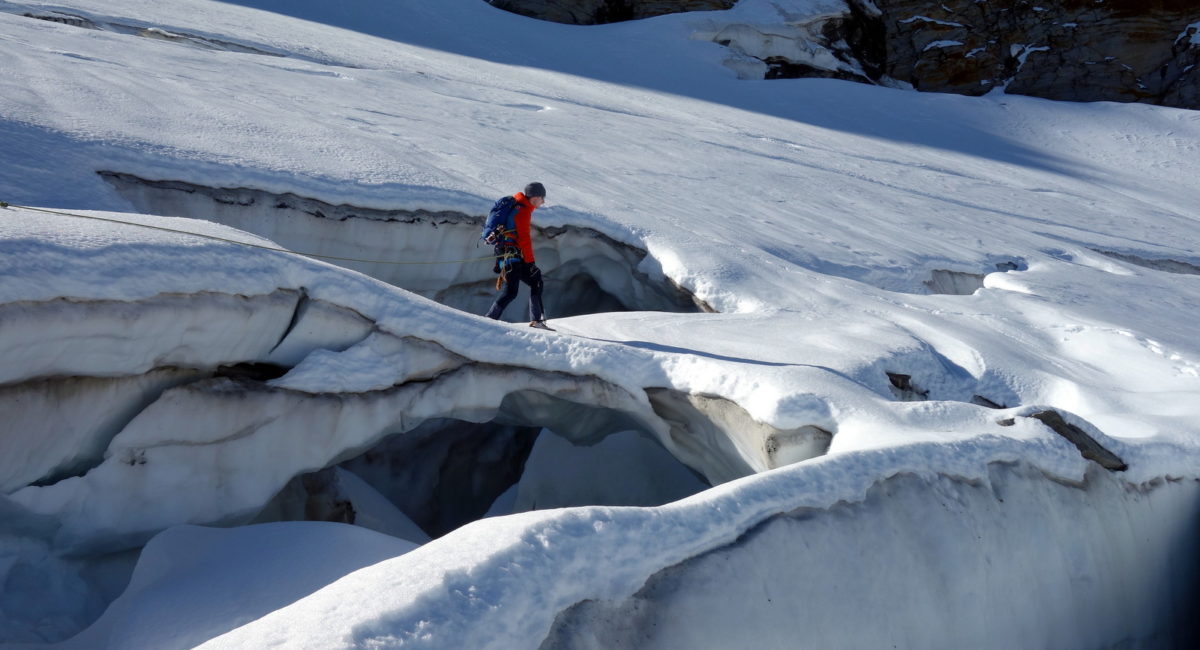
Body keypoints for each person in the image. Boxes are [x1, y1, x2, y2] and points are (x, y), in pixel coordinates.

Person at [485, 182, 550, 328]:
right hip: (512, 255)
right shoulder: (523, 211)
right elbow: (524, 239)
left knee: (530, 284)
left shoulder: (517, 206)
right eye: (542, 198)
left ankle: (536, 320)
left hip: (507, 255)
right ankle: (490, 319)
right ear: (535, 198)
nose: (543, 202)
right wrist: (530, 263)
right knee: (515, 290)